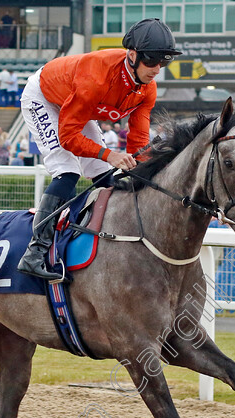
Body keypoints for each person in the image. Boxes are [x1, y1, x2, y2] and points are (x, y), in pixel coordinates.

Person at [16, 18, 180, 281]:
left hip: (78, 105)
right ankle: (35, 253)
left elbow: (138, 142)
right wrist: (110, 154)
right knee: (68, 172)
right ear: (133, 55)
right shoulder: (96, 78)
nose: (157, 69)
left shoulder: (147, 89)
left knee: (104, 176)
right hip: (44, 98)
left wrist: (147, 170)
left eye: (163, 61)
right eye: (152, 61)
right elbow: (68, 137)